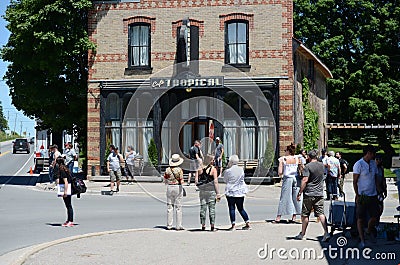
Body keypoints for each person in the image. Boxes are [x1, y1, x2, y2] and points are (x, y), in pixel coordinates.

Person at [295, 150, 330, 241]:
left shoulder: (308, 166)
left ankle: (302, 234)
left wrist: (300, 192)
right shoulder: (322, 165)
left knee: (305, 214)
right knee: (321, 213)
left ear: (309, 157)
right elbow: (326, 173)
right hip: (319, 193)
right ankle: (326, 233)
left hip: (309, 193)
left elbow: (304, 180)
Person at [353, 145, 379, 248]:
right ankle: (362, 240)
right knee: (360, 218)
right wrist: (357, 194)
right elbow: (355, 181)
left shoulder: (373, 164)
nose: (374, 155)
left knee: (375, 216)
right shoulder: (358, 164)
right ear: (368, 153)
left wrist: (379, 190)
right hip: (363, 195)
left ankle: (368, 230)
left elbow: (376, 178)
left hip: (373, 194)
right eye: (372, 153)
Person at [274, 143, 302, 223]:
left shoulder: (283, 159)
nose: (284, 152)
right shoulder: (297, 158)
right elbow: (300, 168)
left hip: (287, 178)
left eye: (285, 150)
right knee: (296, 197)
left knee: (284, 197)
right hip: (296, 178)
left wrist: (282, 170)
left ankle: (279, 216)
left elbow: (280, 172)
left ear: (288, 151)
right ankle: (294, 216)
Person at [223, 155, 251, 230]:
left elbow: (225, 180)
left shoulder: (228, 171)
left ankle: (233, 225)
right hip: (240, 191)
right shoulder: (241, 169)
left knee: (232, 208)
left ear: (231, 162)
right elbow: (242, 179)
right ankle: (247, 223)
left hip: (231, 191)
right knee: (241, 208)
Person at [196, 155, 220, 231]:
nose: (213, 161)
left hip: (202, 191)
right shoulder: (213, 169)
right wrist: (218, 193)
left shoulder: (199, 168)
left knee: (203, 208)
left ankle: (203, 225)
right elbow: (215, 182)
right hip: (211, 190)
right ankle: (212, 225)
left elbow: (196, 181)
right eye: (212, 160)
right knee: (212, 209)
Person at [163, 154, 185, 230]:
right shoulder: (179, 170)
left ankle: (169, 225)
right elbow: (182, 180)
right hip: (177, 186)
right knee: (178, 207)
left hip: (169, 187)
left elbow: (165, 179)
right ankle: (178, 225)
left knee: (169, 206)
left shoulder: (167, 170)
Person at [56, 156, 74, 227]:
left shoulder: (62, 170)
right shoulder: (65, 168)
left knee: (69, 205)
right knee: (67, 205)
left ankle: (70, 221)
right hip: (67, 189)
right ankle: (68, 220)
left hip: (66, 189)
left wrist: (65, 192)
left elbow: (66, 182)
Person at [375, 155, 387, 221]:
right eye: (377, 159)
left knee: (381, 208)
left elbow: (383, 179)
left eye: (380, 159)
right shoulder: (374, 169)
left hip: (380, 190)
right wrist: (379, 190)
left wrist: (385, 189)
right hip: (376, 191)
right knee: (377, 208)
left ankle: (377, 220)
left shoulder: (381, 168)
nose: (379, 161)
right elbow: (375, 181)